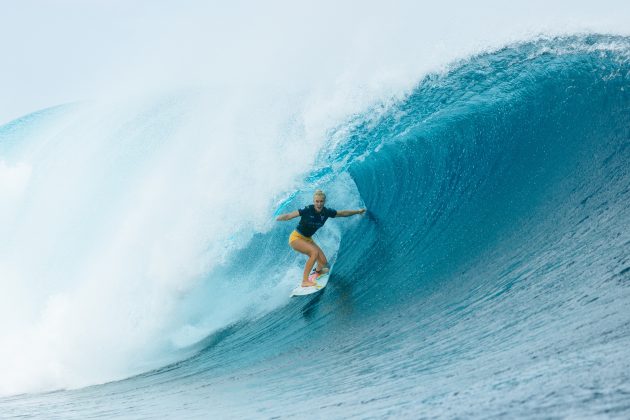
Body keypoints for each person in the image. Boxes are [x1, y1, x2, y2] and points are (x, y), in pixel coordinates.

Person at [276, 190, 366, 287]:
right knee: (314, 252)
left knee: (324, 265)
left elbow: (342, 213)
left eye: (321, 201)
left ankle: (317, 271)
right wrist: (276, 218)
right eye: (317, 201)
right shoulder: (307, 209)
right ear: (314, 201)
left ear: (324, 201)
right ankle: (305, 281)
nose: (319, 204)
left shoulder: (326, 212)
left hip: (308, 239)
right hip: (296, 238)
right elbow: (289, 216)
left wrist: (357, 211)